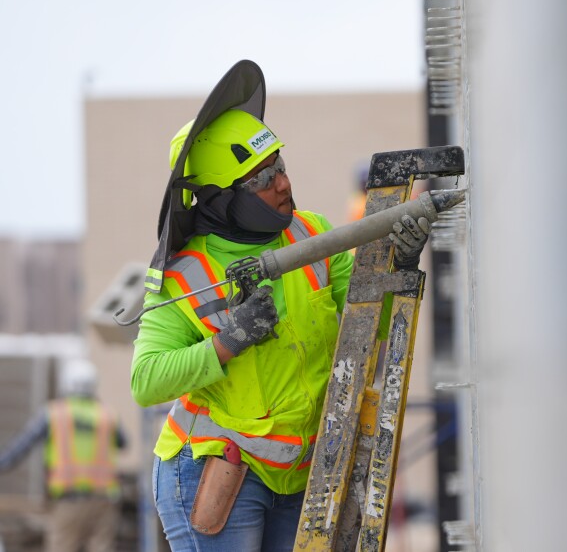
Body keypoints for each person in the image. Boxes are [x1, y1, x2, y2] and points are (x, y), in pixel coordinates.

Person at [130, 60, 430, 551]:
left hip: (299, 472)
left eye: (280, 168)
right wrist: (229, 343)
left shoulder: (309, 233)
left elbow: (367, 326)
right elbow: (146, 381)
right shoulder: (184, 276)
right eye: (262, 180)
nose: (283, 184)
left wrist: (400, 264)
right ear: (219, 200)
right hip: (217, 470)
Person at [0, 359, 127, 552]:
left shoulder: (54, 413)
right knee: (102, 547)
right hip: (104, 499)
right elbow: (124, 443)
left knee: (62, 546)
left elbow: (23, 445)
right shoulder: (107, 414)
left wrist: (4, 463)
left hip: (69, 498)